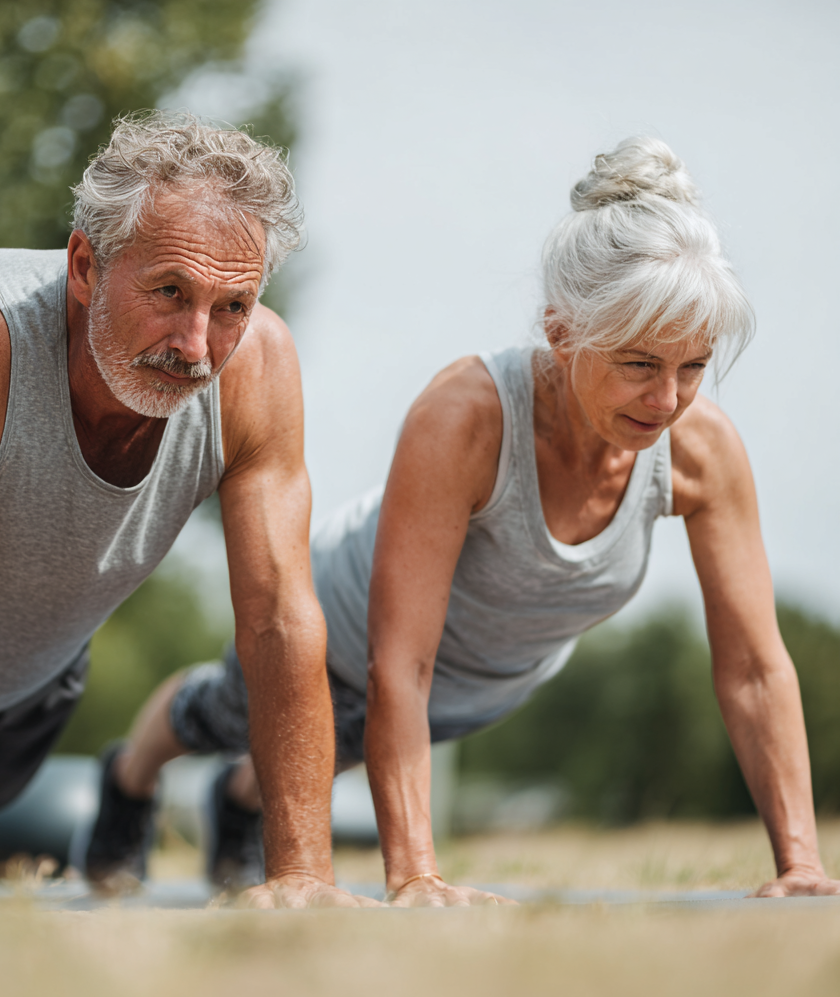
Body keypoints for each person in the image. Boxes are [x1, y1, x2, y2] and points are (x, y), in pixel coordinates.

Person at [99, 137, 840, 905]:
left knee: (327, 753)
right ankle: (128, 780)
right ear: (561, 334)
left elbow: (754, 669)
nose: (667, 400)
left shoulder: (700, 450)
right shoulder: (467, 417)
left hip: (475, 687)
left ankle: (241, 802)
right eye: (639, 365)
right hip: (351, 633)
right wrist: (416, 875)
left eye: (692, 367)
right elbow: (402, 665)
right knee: (219, 713)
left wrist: (802, 866)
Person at [0, 112, 368, 915]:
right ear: (85, 264)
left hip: (19, 685)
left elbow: (281, 621)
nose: (197, 347)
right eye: (170, 292)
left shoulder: (259, 371)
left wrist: (304, 878)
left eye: (231, 306)